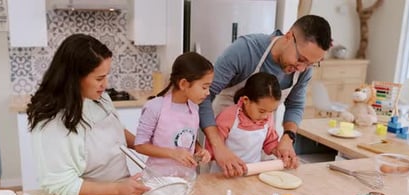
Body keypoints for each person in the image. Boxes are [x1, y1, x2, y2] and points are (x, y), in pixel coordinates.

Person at [199, 15, 332, 177]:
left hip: (255, 151)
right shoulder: (245, 50)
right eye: (301, 59)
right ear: (289, 36)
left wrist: (287, 138)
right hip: (220, 145)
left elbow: (295, 105)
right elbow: (204, 95)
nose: (302, 68)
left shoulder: (303, 70)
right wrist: (218, 147)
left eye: (311, 64)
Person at [27, 34, 149, 195]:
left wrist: (149, 147)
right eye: (99, 78)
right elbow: (64, 186)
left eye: (106, 76)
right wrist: (118, 188)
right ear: (74, 78)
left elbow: (115, 133)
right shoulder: (53, 122)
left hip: (120, 194)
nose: (105, 85)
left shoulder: (98, 99)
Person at [134, 52, 213, 168]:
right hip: (159, 179)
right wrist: (172, 153)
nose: (208, 92)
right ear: (184, 84)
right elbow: (140, 145)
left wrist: (199, 150)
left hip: (186, 178)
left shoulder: (194, 107)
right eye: (204, 87)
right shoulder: (155, 107)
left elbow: (188, 138)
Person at [206, 72, 282, 173]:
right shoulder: (228, 117)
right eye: (261, 111)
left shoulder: (267, 118)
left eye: (271, 111)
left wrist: (279, 152)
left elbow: (270, 141)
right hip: (225, 173)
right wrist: (207, 155)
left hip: (252, 172)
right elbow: (214, 146)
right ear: (246, 100)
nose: (265, 116)